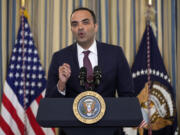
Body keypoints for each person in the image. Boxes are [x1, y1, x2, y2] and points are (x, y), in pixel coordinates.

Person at [45, 7, 134, 135]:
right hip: (72, 131)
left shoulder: (115, 54)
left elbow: (127, 96)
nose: (80, 27)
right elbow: (50, 104)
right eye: (75, 24)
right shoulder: (60, 57)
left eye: (85, 22)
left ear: (95, 26)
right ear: (71, 29)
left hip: (109, 130)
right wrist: (61, 84)